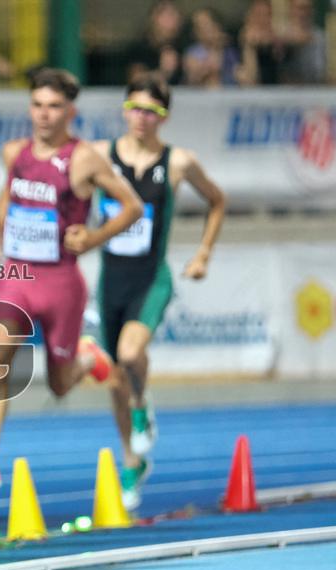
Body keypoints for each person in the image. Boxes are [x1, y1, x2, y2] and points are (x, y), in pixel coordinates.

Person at [0, 68, 143, 493]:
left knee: (61, 385)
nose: (44, 115)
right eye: (38, 105)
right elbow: (8, 198)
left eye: (54, 107)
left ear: (70, 112)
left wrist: (93, 237)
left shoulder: (83, 159)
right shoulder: (16, 152)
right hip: (18, 274)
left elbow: (132, 207)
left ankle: (86, 358)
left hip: (62, 282)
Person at [92, 74, 225, 509]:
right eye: (134, 108)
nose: (141, 118)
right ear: (124, 109)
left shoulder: (179, 162)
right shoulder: (100, 156)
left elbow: (217, 200)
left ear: (164, 117)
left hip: (152, 278)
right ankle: (132, 460)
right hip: (110, 279)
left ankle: (143, 402)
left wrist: (203, 254)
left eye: (152, 111)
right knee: (113, 379)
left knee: (131, 355)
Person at [124, 0, 187, 86]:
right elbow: (136, 82)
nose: (175, 20)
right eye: (169, 15)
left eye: (177, 16)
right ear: (154, 18)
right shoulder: (139, 49)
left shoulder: (182, 47)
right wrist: (163, 72)